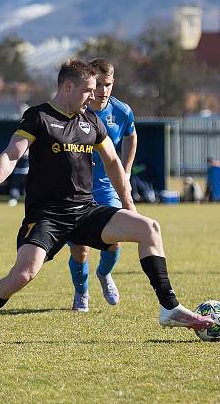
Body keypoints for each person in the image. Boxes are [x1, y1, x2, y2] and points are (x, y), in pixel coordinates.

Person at [0, 60, 214, 345]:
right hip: (47, 217)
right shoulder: (38, 117)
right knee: (22, 275)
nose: (94, 96)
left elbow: (113, 164)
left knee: (149, 228)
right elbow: (12, 155)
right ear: (68, 86)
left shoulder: (91, 122)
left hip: (86, 212)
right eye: (88, 90)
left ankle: (169, 307)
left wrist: (128, 206)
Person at [68, 58, 137, 313]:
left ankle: (104, 274)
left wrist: (126, 172)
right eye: (98, 84)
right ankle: (81, 292)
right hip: (76, 189)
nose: (103, 91)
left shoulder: (121, 111)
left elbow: (131, 135)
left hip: (107, 188)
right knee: (80, 251)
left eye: (107, 84)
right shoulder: (76, 110)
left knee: (114, 240)